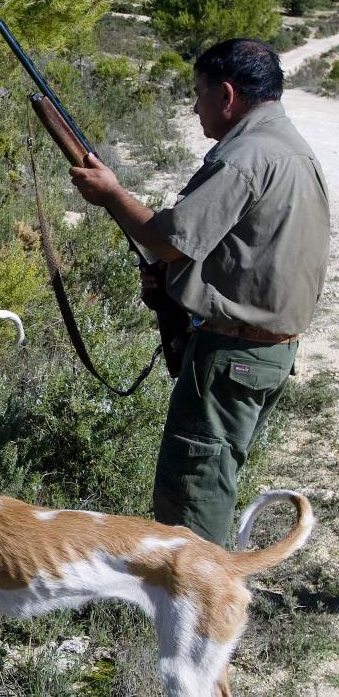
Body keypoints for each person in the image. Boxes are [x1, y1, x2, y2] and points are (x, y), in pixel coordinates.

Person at [68, 38, 330, 546]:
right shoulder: (289, 147)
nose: (194, 107)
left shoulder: (244, 157)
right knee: (212, 481)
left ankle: (199, 613)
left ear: (227, 95)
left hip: (232, 355)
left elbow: (168, 241)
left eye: (199, 94)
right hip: (263, 353)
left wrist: (111, 194)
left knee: (194, 496)